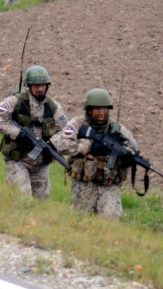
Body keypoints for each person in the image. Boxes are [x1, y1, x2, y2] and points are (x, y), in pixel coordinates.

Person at [51, 88, 138, 220]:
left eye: (105, 109)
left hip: (109, 186)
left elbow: (133, 148)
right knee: (80, 221)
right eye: (97, 109)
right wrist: (88, 146)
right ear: (89, 110)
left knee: (111, 221)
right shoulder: (78, 124)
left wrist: (126, 157)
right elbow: (61, 144)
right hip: (84, 185)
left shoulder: (117, 128)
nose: (102, 113)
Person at [0, 65, 68, 200]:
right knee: (21, 198)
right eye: (36, 86)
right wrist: (17, 134)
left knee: (41, 201)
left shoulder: (53, 107)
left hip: (41, 164)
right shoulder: (15, 101)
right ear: (29, 86)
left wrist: (54, 144)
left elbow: (65, 131)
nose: (40, 89)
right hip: (18, 160)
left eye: (43, 85)